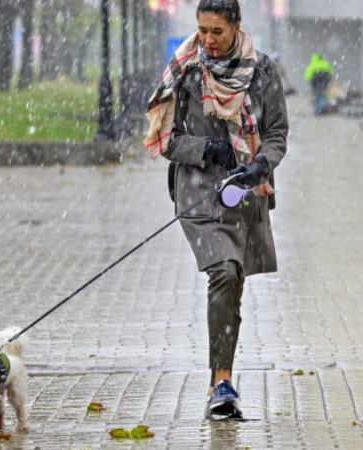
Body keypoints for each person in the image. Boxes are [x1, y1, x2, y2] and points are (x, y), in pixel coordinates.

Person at [143, 0, 288, 419]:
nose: (208, 40)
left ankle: (221, 379)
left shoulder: (262, 72)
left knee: (235, 279)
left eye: (217, 32)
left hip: (245, 192)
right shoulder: (185, 71)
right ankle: (220, 382)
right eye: (202, 30)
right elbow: (164, 138)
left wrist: (262, 162)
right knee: (223, 271)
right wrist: (208, 149)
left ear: (236, 26)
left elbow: (277, 132)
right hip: (198, 192)